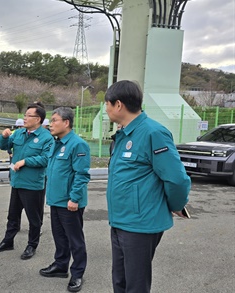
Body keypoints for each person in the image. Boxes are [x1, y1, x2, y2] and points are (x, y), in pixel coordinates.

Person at [104, 80, 191, 293]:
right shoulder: (122, 135)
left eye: (106, 104)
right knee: (120, 280)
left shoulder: (153, 133)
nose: (105, 109)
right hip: (120, 220)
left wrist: (177, 205)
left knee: (136, 284)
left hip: (140, 224)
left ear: (118, 105)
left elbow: (177, 179)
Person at [0, 102, 53, 260]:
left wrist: (26, 161)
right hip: (17, 182)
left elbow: (46, 159)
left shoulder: (46, 138)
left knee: (34, 218)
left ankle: (32, 245)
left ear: (38, 119)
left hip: (33, 184)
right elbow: (4, 146)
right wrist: (4, 137)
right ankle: (8, 241)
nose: (24, 118)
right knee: (13, 215)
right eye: (24, 115)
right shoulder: (19, 133)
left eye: (28, 116)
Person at [38, 107, 90, 292]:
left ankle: (77, 273)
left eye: (54, 120)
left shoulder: (78, 144)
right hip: (56, 200)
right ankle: (61, 266)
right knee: (59, 237)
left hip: (70, 203)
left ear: (66, 123)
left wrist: (74, 198)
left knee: (75, 240)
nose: (50, 124)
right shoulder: (56, 143)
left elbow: (81, 174)